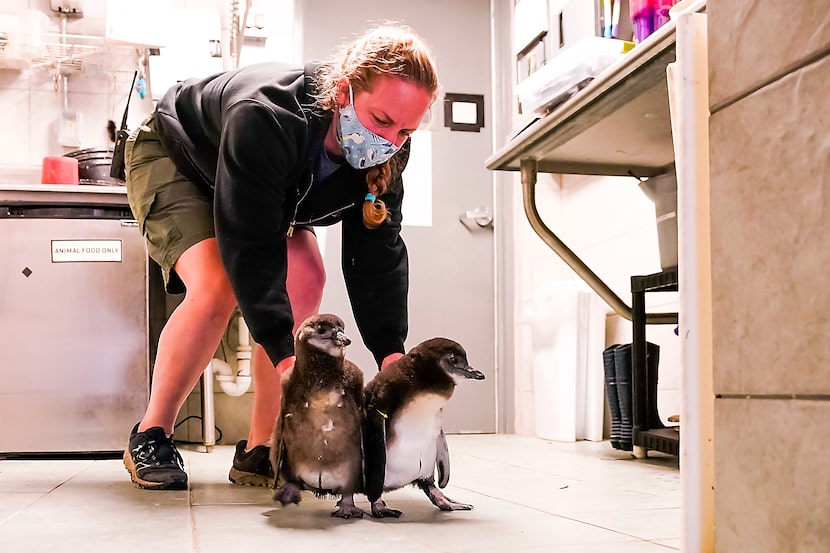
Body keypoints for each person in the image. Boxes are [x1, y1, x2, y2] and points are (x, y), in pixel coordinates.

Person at [122, 24, 440, 490]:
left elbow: (378, 255)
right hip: (182, 157)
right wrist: (288, 360)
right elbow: (250, 247)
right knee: (217, 284)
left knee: (307, 278)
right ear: (344, 91)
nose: (389, 140)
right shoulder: (267, 114)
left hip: (268, 187)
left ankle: (261, 449)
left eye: (406, 130)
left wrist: (392, 354)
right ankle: (152, 433)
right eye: (380, 121)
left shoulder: (388, 151)